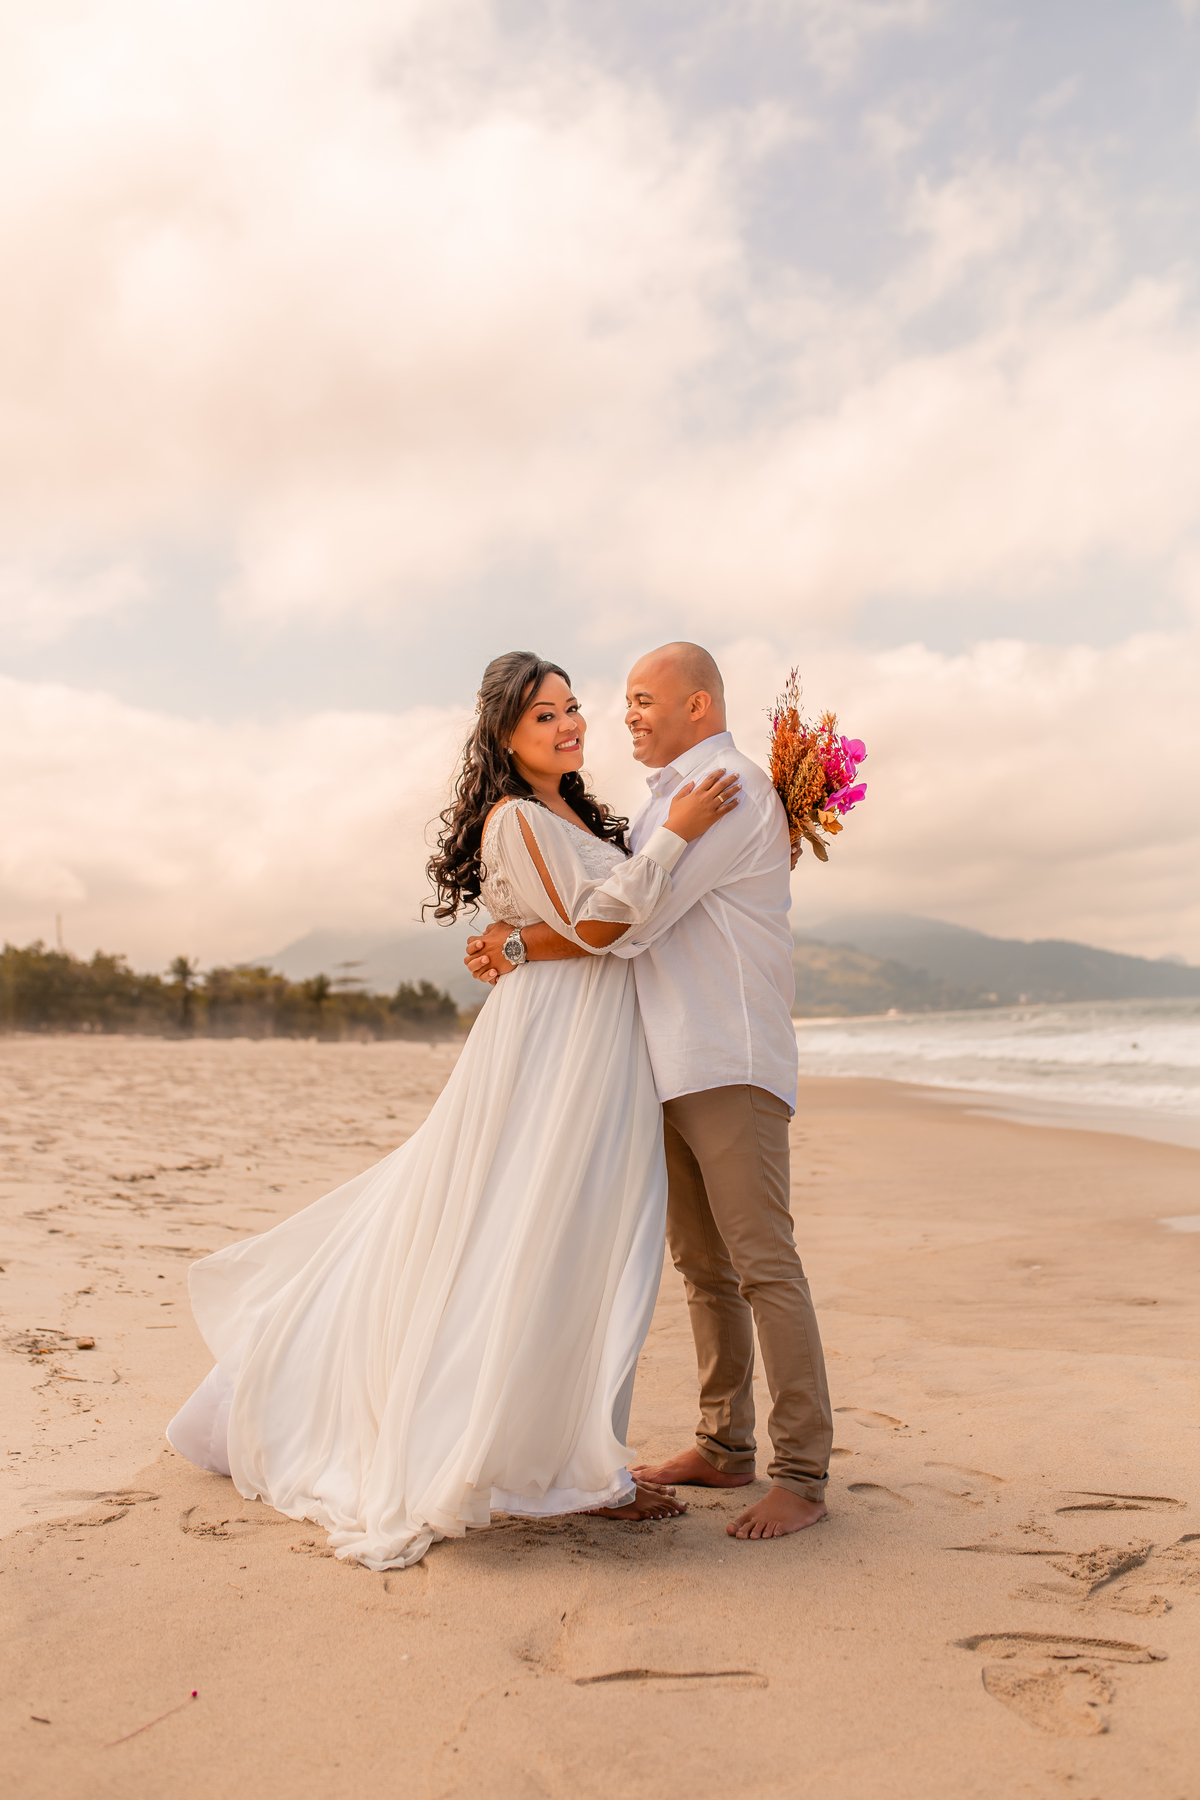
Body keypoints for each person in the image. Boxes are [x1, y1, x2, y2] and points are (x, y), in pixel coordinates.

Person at [166, 650, 739, 1570]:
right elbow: (600, 928)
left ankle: (568, 1457)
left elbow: (608, 921)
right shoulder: (513, 817)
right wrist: (672, 834)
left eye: (572, 709)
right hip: (552, 1045)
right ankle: (548, 1467)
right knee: (521, 1229)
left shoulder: (581, 814)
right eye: (545, 715)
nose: (570, 725)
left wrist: (535, 927)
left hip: (602, 1044)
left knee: (589, 1242)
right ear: (505, 734)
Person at [465, 642, 833, 1540]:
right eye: (619, 700)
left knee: (762, 1263)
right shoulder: (668, 799)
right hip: (666, 1058)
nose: (622, 715)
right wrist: (522, 940)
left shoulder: (730, 791)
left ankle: (802, 1473)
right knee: (703, 1266)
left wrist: (517, 947)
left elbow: (628, 924)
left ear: (698, 706)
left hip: (726, 1055)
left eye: (641, 699)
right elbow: (617, 904)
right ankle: (724, 1443)